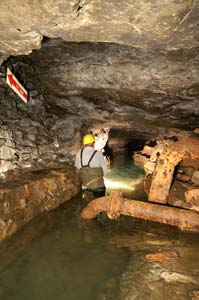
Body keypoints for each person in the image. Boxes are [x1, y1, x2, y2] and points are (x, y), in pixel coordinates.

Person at [75, 133, 107, 200]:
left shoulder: (79, 153)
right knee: (100, 207)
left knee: (89, 207)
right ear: (93, 143)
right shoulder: (98, 153)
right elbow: (105, 170)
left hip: (87, 187)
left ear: (84, 144)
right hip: (99, 187)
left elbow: (77, 169)